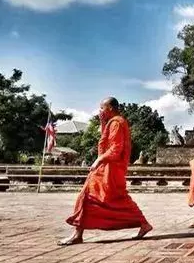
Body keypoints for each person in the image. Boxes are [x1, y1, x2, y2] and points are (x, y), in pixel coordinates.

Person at [60, 97, 152, 245]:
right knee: (114, 198)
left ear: (110, 108)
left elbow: (116, 148)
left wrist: (99, 160)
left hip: (110, 167)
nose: (100, 111)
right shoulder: (113, 122)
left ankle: (78, 234)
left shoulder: (117, 122)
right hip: (110, 167)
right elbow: (105, 141)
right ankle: (143, 224)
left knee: (88, 196)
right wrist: (103, 122)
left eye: (102, 108)